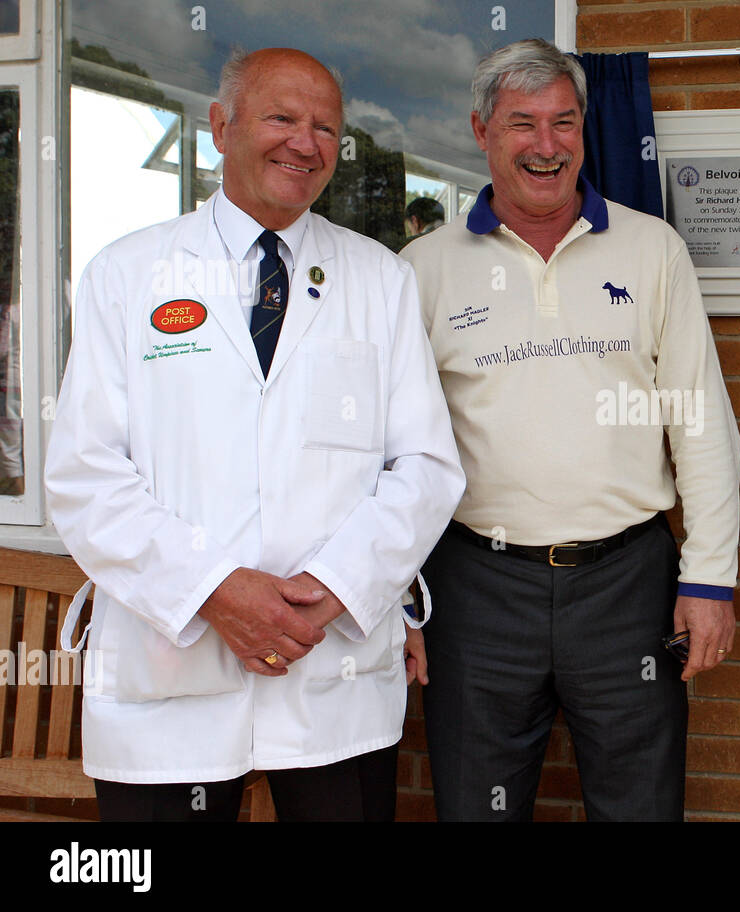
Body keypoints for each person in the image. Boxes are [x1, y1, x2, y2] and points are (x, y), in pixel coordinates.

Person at [43, 47, 464, 822]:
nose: (306, 144)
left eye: (327, 129)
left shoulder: (380, 281)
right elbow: (84, 476)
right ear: (220, 127)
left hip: (328, 673)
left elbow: (427, 467)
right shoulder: (129, 275)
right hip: (168, 685)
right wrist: (216, 592)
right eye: (283, 118)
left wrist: (334, 588)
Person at [400, 38, 740, 822]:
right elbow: (394, 453)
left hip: (628, 586)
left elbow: (700, 423)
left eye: (565, 122)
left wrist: (709, 579)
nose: (547, 146)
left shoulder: (654, 250)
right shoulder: (422, 268)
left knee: (640, 809)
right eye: (523, 123)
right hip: (475, 589)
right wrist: (400, 602)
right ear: (482, 130)